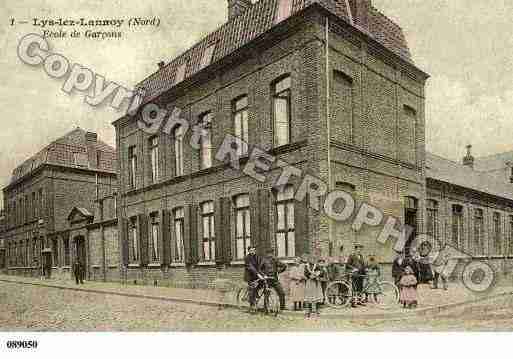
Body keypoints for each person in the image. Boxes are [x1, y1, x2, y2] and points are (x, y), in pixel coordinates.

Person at [244, 246, 263, 313]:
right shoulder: (247, 258)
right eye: (251, 250)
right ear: (248, 251)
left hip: (256, 275)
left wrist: (263, 274)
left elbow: (259, 266)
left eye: (254, 250)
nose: (252, 252)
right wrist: (258, 274)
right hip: (249, 276)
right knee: (252, 290)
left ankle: (255, 296)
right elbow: (250, 267)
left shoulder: (257, 257)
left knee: (260, 285)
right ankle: (252, 306)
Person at [346, 243, 367, 308]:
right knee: (354, 289)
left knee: (360, 288)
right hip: (355, 274)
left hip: (361, 274)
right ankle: (353, 303)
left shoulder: (361, 256)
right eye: (358, 248)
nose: (360, 250)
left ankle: (359, 301)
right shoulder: (351, 255)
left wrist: (365, 270)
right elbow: (348, 264)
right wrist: (353, 268)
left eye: (361, 248)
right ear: (355, 249)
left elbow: (362, 265)